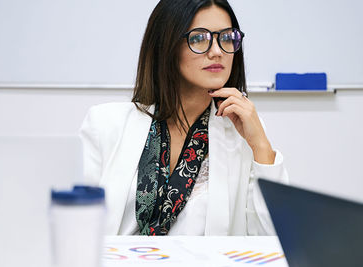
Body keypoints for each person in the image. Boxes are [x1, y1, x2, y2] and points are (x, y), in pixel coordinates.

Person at [80, 0, 288, 236]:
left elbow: (273, 241)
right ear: (166, 45)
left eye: (227, 37)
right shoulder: (105, 124)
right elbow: (76, 227)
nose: (218, 51)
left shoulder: (243, 135)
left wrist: (260, 145)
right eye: (199, 38)